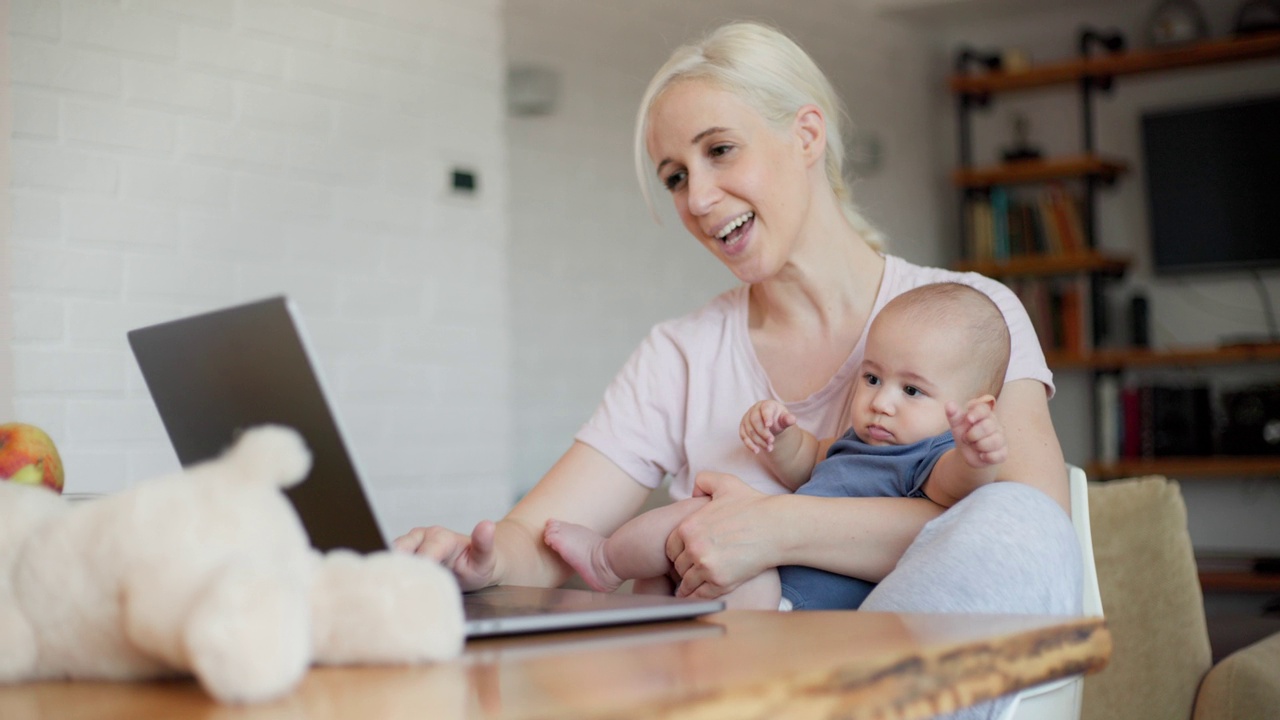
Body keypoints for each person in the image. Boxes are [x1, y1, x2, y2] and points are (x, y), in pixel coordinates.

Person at [395, 21, 1080, 643]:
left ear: (806, 135)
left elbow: (1023, 527)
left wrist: (771, 528)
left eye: (720, 150)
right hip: (735, 686)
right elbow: (537, 541)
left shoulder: (970, 316)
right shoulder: (680, 356)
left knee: (1014, 523)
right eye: (675, 177)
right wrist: (476, 563)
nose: (696, 199)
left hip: (911, 672)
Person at [542, 282, 1012, 611]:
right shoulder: (857, 443)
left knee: (699, 517)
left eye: (912, 391)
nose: (881, 402)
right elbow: (808, 464)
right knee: (666, 564)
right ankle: (647, 644)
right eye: (872, 378)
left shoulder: (932, 456)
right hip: (761, 570)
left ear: (973, 406)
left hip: (793, 603)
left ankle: (606, 562)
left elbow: (956, 497)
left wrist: (975, 455)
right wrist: (781, 437)